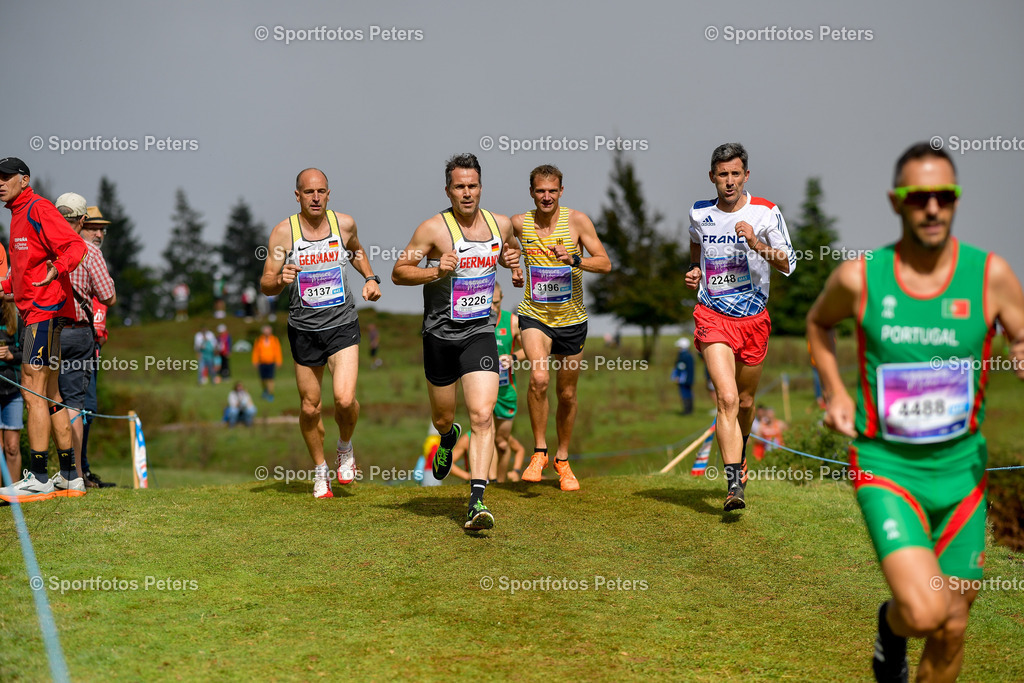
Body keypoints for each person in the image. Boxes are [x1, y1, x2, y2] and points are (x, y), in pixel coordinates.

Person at [807, 142, 1024, 683]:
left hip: (963, 474)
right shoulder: (861, 278)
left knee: (952, 625)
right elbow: (818, 324)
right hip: (889, 467)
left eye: (944, 196)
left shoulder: (990, 275)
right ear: (896, 202)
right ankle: (891, 627)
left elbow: (1020, 332)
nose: (933, 208)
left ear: (954, 201)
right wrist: (835, 391)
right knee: (926, 612)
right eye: (919, 196)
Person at [391, 153, 520, 530]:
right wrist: (435, 270)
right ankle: (449, 437)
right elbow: (399, 272)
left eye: (473, 185)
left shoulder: (499, 224)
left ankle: (476, 501)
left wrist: (514, 264)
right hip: (439, 336)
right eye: (460, 186)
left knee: (482, 414)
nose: (467, 193)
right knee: (444, 416)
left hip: (479, 332)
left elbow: (512, 251)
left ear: (481, 187)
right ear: (448, 190)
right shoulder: (433, 229)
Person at [685, 142, 796, 511]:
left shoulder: (765, 212)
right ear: (712, 177)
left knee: (746, 401)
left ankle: (741, 452)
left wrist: (755, 242)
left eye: (735, 174)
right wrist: (695, 270)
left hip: (753, 318)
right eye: (722, 175)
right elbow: (695, 242)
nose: (729, 181)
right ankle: (735, 486)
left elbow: (787, 263)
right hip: (712, 315)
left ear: (745, 175)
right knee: (727, 398)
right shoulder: (700, 212)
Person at [260, 167, 381, 499]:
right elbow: (266, 282)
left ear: (329, 194)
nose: (316, 197)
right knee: (311, 407)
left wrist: (371, 277)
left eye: (321, 191)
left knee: (344, 399)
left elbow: (355, 250)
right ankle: (319, 471)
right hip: (304, 329)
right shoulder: (284, 232)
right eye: (309, 192)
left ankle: (344, 448)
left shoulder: (344, 224)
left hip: (342, 324)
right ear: (297, 195)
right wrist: (279, 279)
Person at [514, 164, 610, 491]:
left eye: (552, 191)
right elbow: (495, 247)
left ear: (561, 191)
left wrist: (575, 260)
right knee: (539, 379)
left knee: (566, 393)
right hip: (534, 316)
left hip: (572, 321)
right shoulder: (519, 223)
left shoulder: (578, 222)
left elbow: (605, 263)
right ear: (531, 192)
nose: (546, 197)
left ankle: (562, 459)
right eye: (540, 191)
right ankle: (539, 451)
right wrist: (512, 265)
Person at [0, 157, 88, 503]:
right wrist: (6, 285)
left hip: (44, 312)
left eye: (7, 177)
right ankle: (70, 476)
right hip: (37, 312)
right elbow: (22, 271)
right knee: (50, 393)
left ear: (25, 180)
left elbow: (75, 246)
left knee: (32, 389)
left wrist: (57, 268)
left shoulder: (38, 208)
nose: (0, 183)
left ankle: (36, 476)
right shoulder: (18, 215)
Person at [53, 192, 117, 484]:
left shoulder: (41, 246)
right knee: (74, 405)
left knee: (41, 400)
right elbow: (108, 296)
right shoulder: (88, 251)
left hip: (41, 329)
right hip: (76, 331)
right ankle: (74, 474)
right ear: (82, 221)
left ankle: (42, 470)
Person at [78, 206, 115, 488]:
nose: (100, 233)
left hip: (93, 348)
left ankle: (83, 469)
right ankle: (75, 471)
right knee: (79, 408)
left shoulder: (95, 259)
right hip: (74, 344)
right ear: (80, 225)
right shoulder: (77, 255)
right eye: (94, 228)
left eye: (102, 229)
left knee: (88, 410)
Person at [491, 283, 524, 483]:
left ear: (502, 298)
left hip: (505, 391)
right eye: (488, 303)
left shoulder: (512, 322)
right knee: (483, 435)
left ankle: (500, 483)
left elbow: (532, 348)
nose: (493, 307)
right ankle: (487, 482)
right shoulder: (474, 321)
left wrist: (513, 357)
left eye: (496, 302)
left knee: (501, 443)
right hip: (481, 391)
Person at [0, 276, 24, 484]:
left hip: (13, 389)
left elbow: (27, 352)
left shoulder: (17, 317)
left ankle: (14, 494)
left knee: (12, 446)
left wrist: (11, 355)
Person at [252, 325, 283, 400]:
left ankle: (270, 394)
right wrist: (255, 361)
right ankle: (265, 391)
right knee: (263, 379)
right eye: (265, 331)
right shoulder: (259, 340)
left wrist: (279, 361)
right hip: (262, 363)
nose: (267, 332)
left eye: (268, 330)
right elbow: (255, 351)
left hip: (271, 362)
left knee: (270, 379)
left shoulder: (275, 340)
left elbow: (278, 351)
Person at [672, 337, 695, 415]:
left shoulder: (683, 355)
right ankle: (689, 410)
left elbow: (681, 367)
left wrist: (677, 376)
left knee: (685, 393)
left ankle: (687, 410)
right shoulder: (689, 355)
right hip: (689, 378)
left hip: (684, 379)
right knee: (688, 393)